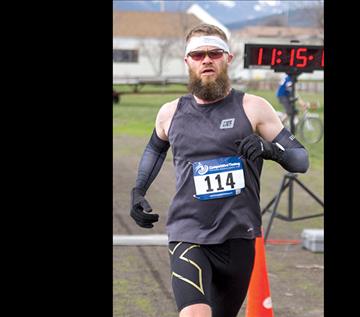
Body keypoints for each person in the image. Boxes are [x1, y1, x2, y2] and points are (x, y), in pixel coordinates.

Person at [130, 23, 309, 317]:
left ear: (228, 57)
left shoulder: (253, 107)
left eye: (214, 53)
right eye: (198, 55)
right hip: (189, 233)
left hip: (239, 236)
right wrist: (138, 191)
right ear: (187, 61)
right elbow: (154, 149)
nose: (206, 60)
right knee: (195, 313)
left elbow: (300, 159)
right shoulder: (170, 112)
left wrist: (269, 151)